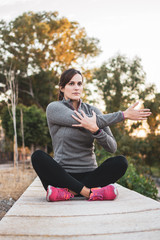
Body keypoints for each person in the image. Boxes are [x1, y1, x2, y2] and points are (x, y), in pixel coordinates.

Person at [31, 68, 151, 202]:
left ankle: (68, 193)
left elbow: (112, 147)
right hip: (62, 176)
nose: (76, 87)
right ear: (62, 88)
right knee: (38, 157)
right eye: (71, 84)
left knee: (121, 162)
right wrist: (123, 115)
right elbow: (85, 120)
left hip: (91, 175)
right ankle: (88, 192)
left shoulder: (93, 110)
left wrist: (96, 131)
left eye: (79, 84)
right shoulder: (54, 108)